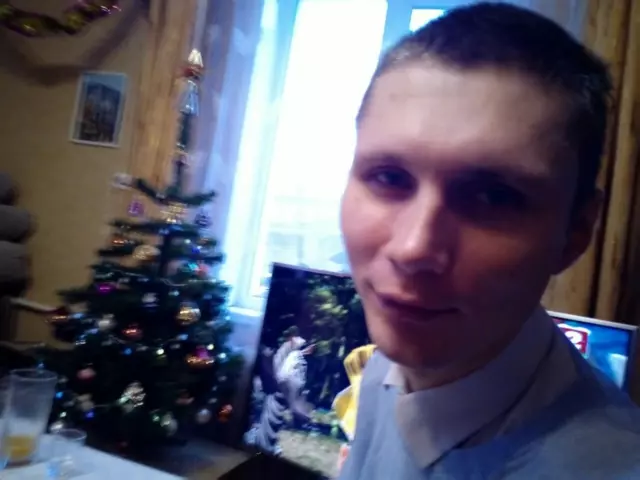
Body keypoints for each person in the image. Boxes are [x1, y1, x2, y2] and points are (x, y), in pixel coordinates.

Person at [338, 3, 640, 479]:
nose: (414, 248)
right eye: (390, 176)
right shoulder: (381, 371)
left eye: (492, 196)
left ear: (576, 233)